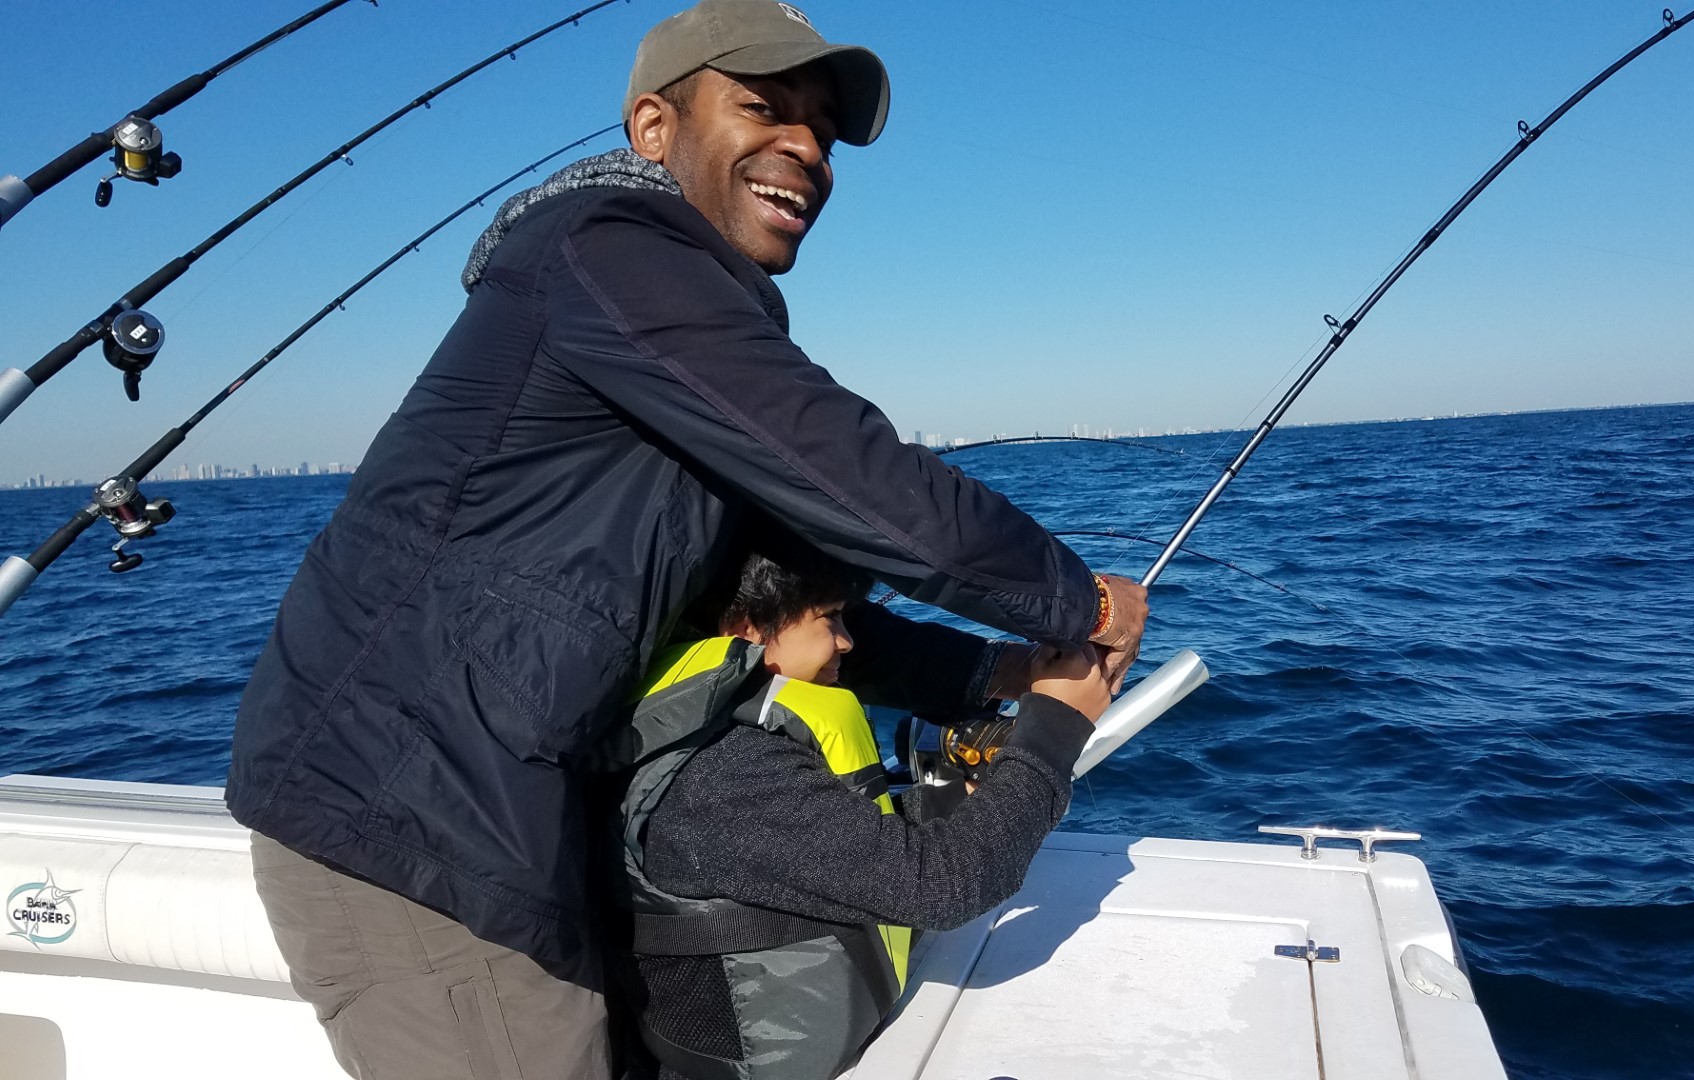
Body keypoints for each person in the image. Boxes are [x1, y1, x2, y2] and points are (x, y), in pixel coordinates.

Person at [228, 2, 1147, 1079]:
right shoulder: (604, 246)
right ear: (655, 128)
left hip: (512, 800)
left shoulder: (678, 324)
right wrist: (1077, 606)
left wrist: (997, 671)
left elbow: (790, 602)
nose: (805, 147)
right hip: (410, 817)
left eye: (822, 129)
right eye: (764, 108)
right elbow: (851, 468)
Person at [607, 525, 1110, 1080]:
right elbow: (942, 887)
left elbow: (826, 848)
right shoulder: (724, 767)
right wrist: (1056, 725)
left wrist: (953, 800)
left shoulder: (727, 734)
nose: (847, 642)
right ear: (746, 627)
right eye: (830, 619)